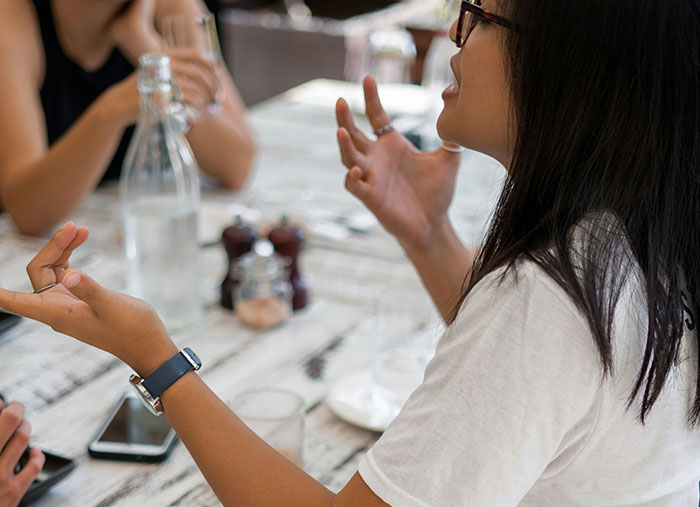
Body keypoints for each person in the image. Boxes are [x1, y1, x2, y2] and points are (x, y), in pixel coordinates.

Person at [1, 0, 699, 505]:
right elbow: (555, 373)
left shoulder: (544, 298)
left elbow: (534, 340)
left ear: (569, 68)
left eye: (480, 14)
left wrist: (156, 356)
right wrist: (429, 237)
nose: (454, 32)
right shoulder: (643, 236)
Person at [0, 0, 255, 236]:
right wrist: (111, 111)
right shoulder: (13, 16)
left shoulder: (170, 7)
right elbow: (28, 213)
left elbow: (236, 165)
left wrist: (142, 42)